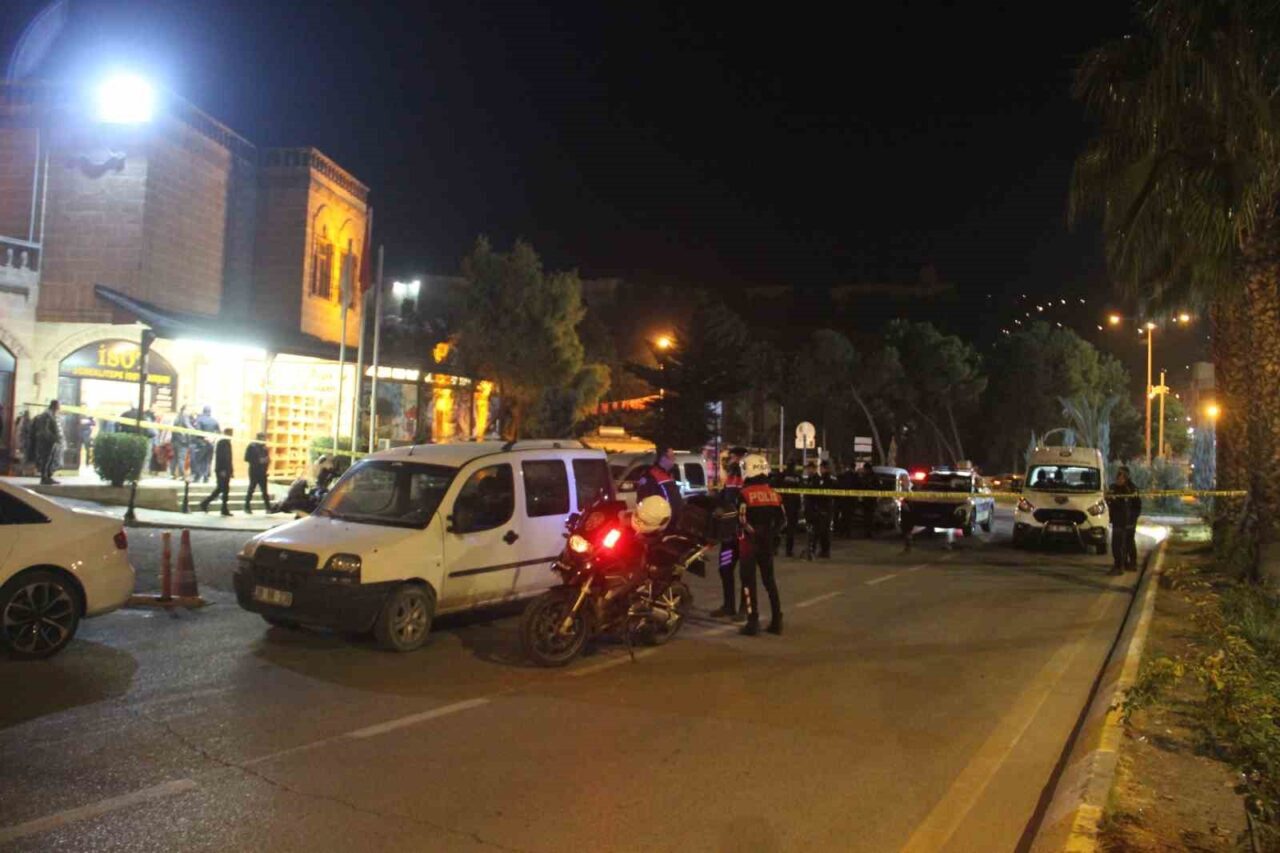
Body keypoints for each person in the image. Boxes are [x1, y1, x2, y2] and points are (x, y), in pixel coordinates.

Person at [737, 454, 785, 636]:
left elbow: (742, 520)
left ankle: (753, 621)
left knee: (748, 583)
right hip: (767, 543)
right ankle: (777, 620)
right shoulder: (774, 494)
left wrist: (754, 534)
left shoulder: (744, 494)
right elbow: (783, 521)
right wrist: (771, 535)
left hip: (749, 544)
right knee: (769, 581)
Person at [711, 446, 747, 619]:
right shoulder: (730, 478)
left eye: (732, 458)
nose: (730, 461)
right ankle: (728, 606)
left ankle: (744, 609)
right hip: (729, 536)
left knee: (745, 573)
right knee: (725, 568)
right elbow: (724, 499)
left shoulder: (746, 478)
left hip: (743, 535)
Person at [1106, 466, 1142, 575]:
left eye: (1120, 475)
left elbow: (1133, 506)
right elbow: (1109, 502)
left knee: (1125, 543)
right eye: (1117, 475)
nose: (1118, 478)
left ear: (1126, 477)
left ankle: (1125, 564)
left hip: (1127, 520)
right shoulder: (1114, 488)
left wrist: (1133, 519)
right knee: (1118, 544)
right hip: (1117, 520)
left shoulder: (1131, 489)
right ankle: (1122, 564)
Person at [199, 428, 234, 516]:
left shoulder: (227, 443)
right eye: (229, 433)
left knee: (224, 489)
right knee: (221, 488)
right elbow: (221, 457)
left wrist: (231, 470)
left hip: (226, 470)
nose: (231, 435)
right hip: (222, 470)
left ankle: (223, 508)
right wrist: (222, 469)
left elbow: (229, 458)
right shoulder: (222, 443)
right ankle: (206, 503)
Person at [773, 459, 803, 557]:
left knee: (778, 527)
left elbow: (774, 487)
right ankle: (788, 551)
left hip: (782, 504)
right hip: (792, 506)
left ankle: (775, 549)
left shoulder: (781, 476)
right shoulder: (797, 477)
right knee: (790, 529)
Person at [805, 459, 835, 558]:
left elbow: (823, 494)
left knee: (823, 531)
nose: (820, 470)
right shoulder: (822, 479)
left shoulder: (826, 479)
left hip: (824, 508)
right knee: (820, 530)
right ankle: (822, 550)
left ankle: (824, 551)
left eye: (821, 468)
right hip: (821, 508)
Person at [29, 400, 63, 485]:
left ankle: (48, 476)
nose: (60, 407)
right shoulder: (46, 415)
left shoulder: (53, 415)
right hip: (46, 442)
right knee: (46, 459)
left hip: (52, 441)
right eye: (59, 405)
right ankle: (44, 477)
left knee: (51, 459)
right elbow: (44, 430)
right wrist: (52, 438)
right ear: (54, 405)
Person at [244, 432, 272, 514]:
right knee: (251, 489)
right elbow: (246, 458)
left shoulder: (264, 447)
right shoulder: (252, 446)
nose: (264, 440)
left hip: (262, 472)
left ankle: (268, 508)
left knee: (264, 491)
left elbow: (267, 457)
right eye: (263, 438)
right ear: (258, 438)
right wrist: (258, 460)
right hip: (254, 471)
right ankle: (247, 506)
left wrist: (267, 460)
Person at [192, 406, 220, 483]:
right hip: (211, 444)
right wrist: (212, 439)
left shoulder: (199, 420)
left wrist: (204, 438)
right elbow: (218, 432)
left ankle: (197, 476)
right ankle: (206, 477)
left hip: (201, 443)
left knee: (198, 460)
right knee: (207, 461)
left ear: (203, 411)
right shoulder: (214, 421)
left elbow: (198, 432)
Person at [835, 461, 858, 537]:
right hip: (848, 500)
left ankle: (844, 532)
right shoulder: (852, 476)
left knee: (845, 517)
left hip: (845, 500)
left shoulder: (847, 476)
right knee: (847, 517)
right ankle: (845, 532)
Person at [856, 462, 879, 539]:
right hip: (866, 500)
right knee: (866, 517)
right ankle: (866, 532)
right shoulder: (864, 476)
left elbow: (877, 487)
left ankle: (869, 532)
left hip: (871, 500)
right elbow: (860, 486)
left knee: (870, 517)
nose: (864, 471)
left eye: (865, 469)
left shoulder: (873, 477)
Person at [170, 405, 192, 479]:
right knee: (181, 458)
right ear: (184, 410)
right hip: (183, 441)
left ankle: (172, 474)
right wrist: (195, 432)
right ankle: (181, 475)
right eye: (188, 410)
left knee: (175, 458)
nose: (189, 411)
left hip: (175, 441)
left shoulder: (177, 417)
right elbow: (188, 427)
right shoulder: (185, 417)